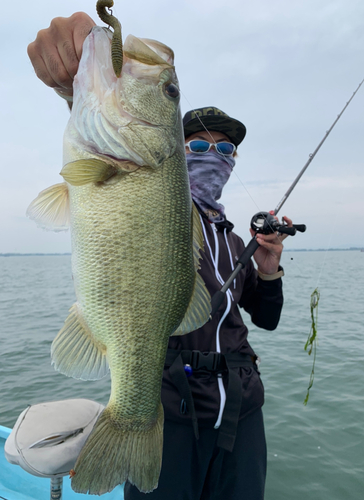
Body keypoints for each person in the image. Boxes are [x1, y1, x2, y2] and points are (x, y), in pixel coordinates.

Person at [28, 13, 293, 500]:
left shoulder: (234, 242)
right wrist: (74, 89)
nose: (216, 156)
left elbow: (268, 319)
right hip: (170, 409)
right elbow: (111, 148)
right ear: (177, 149)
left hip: (241, 411)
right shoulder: (166, 204)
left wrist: (269, 269)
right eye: (197, 144)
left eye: (227, 150)